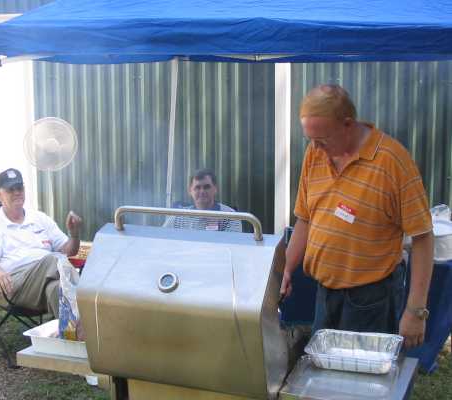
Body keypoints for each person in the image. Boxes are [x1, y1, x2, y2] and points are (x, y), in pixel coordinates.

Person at [280, 84, 433, 348]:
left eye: (322, 140)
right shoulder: (315, 153)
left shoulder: (392, 161)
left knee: (359, 385)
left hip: (371, 299)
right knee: (324, 376)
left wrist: (416, 311)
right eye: (311, 140)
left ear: (347, 124)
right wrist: (284, 268)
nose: (315, 147)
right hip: (325, 292)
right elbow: (305, 218)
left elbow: (423, 237)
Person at [0, 168, 82, 318]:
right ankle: (87, 292)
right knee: (54, 259)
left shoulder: (39, 218)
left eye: (19, 188)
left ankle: (75, 337)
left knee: (56, 289)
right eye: (10, 189)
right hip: (12, 286)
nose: (16, 193)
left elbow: (69, 251)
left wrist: (74, 234)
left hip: (42, 281)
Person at [163, 168, 242, 232]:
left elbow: (232, 247)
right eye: (197, 187)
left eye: (206, 187)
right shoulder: (179, 217)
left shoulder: (230, 217)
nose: (202, 191)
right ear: (190, 191)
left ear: (215, 189)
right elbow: (163, 237)